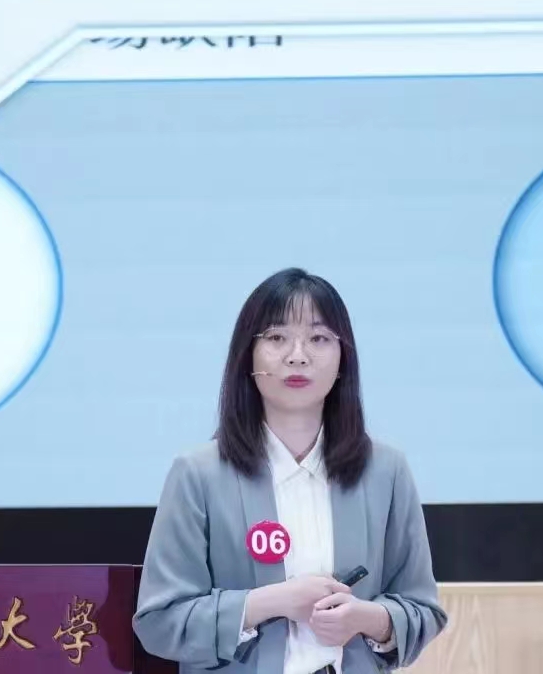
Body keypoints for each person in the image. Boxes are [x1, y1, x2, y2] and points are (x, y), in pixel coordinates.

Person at [133, 267, 448, 674]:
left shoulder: (386, 472)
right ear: (247, 356)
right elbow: (159, 621)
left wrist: (368, 619)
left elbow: (424, 609)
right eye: (276, 337)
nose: (297, 355)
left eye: (318, 339)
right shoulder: (197, 475)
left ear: (343, 359)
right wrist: (269, 602)